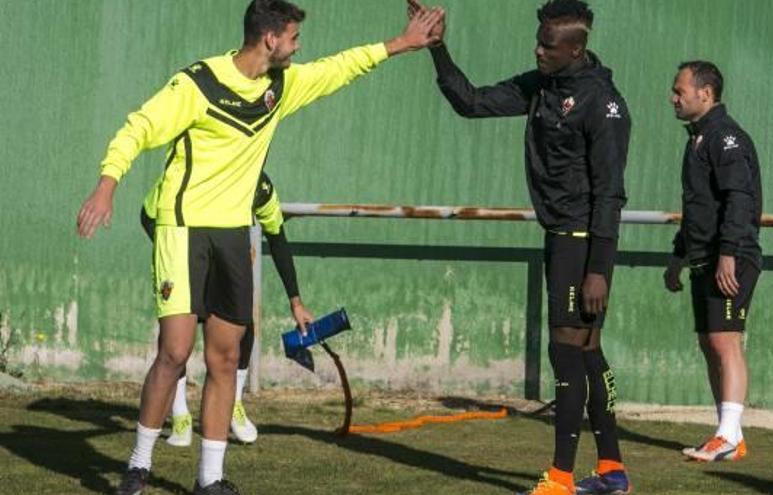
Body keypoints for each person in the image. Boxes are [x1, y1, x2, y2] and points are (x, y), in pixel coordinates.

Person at [76, 0, 444, 492]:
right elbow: (138, 127)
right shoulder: (197, 84)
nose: (298, 46)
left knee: (225, 358)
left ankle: (211, 478)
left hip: (233, 235)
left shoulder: (281, 85)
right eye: (293, 37)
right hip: (182, 228)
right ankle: (138, 464)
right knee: (175, 352)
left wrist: (400, 44)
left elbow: (339, 69)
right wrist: (107, 183)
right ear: (270, 38)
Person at [409, 0, 631, 493]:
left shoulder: (602, 102)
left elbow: (611, 191)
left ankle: (559, 477)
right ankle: (613, 471)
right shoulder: (542, 86)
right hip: (560, 237)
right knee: (588, 354)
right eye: (538, 41)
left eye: (548, 45)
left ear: (575, 48)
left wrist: (600, 268)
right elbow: (470, 101)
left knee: (566, 353)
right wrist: (438, 48)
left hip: (581, 241)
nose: (538, 50)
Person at [140, 172, 313, 448]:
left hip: (224, 262)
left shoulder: (260, 185)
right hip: (183, 254)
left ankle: (232, 404)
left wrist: (296, 301)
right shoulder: (192, 167)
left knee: (243, 329)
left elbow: (277, 236)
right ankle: (180, 413)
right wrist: (174, 254)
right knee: (176, 341)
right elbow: (147, 214)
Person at [663, 60, 762, 462]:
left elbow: (740, 199)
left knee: (725, 341)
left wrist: (728, 255)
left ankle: (727, 436)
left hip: (731, 257)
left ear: (705, 93)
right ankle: (730, 435)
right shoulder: (698, 139)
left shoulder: (726, 138)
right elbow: (698, 209)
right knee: (709, 343)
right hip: (704, 258)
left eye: (679, 90)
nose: (673, 97)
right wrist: (678, 258)